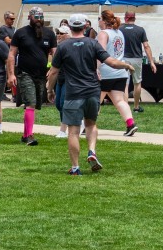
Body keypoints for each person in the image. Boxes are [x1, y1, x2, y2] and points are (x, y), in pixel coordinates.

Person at [46, 14, 131, 175]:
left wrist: (50, 90)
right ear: (85, 27)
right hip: (92, 91)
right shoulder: (93, 44)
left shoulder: (63, 46)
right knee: (91, 124)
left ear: (69, 27)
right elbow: (111, 62)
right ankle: (91, 151)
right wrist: (126, 65)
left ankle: (75, 167)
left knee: (73, 131)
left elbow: (54, 72)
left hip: (74, 93)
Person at [9, 6, 57, 146]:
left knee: (34, 105)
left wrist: (53, 68)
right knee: (30, 103)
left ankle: (25, 135)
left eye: (41, 17)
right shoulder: (21, 33)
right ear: (30, 17)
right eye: (36, 17)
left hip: (41, 75)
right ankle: (30, 136)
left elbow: (55, 53)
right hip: (25, 73)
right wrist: (11, 74)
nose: (39, 20)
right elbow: (11, 54)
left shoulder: (49, 34)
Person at [96, 10, 138, 135]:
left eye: (99, 18)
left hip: (105, 72)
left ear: (103, 20)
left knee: (96, 101)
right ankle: (130, 124)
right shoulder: (119, 32)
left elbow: (101, 53)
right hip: (120, 72)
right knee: (120, 101)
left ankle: (86, 125)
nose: (98, 21)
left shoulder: (103, 34)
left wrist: (96, 69)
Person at [121, 10, 157, 110]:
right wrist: (152, 62)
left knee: (125, 83)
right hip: (136, 59)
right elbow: (146, 46)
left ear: (125, 18)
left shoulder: (120, 29)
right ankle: (136, 107)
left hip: (123, 59)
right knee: (137, 82)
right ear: (134, 18)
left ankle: (125, 107)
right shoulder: (140, 30)